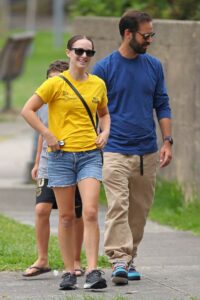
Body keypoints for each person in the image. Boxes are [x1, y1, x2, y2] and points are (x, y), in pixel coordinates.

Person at [21, 35, 110, 290]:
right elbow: (28, 110)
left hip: (89, 155)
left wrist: (104, 133)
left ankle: (93, 270)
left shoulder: (97, 84)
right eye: (79, 51)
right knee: (67, 216)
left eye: (89, 53)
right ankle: (69, 271)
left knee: (91, 212)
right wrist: (48, 135)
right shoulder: (55, 84)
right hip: (60, 157)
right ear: (69, 52)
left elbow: (104, 114)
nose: (84, 56)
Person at [92, 10, 173, 285]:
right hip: (114, 149)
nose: (150, 39)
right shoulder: (104, 68)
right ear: (128, 34)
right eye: (146, 34)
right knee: (118, 206)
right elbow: (94, 111)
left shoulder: (154, 66)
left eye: (152, 34)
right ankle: (117, 259)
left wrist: (167, 142)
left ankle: (129, 257)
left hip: (147, 151)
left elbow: (162, 103)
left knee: (139, 210)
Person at [23, 60, 84, 278]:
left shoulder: (74, 101)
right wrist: (39, 161)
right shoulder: (41, 103)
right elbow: (43, 133)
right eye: (50, 81)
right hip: (49, 162)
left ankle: (76, 260)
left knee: (74, 213)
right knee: (41, 209)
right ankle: (42, 259)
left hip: (73, 160)